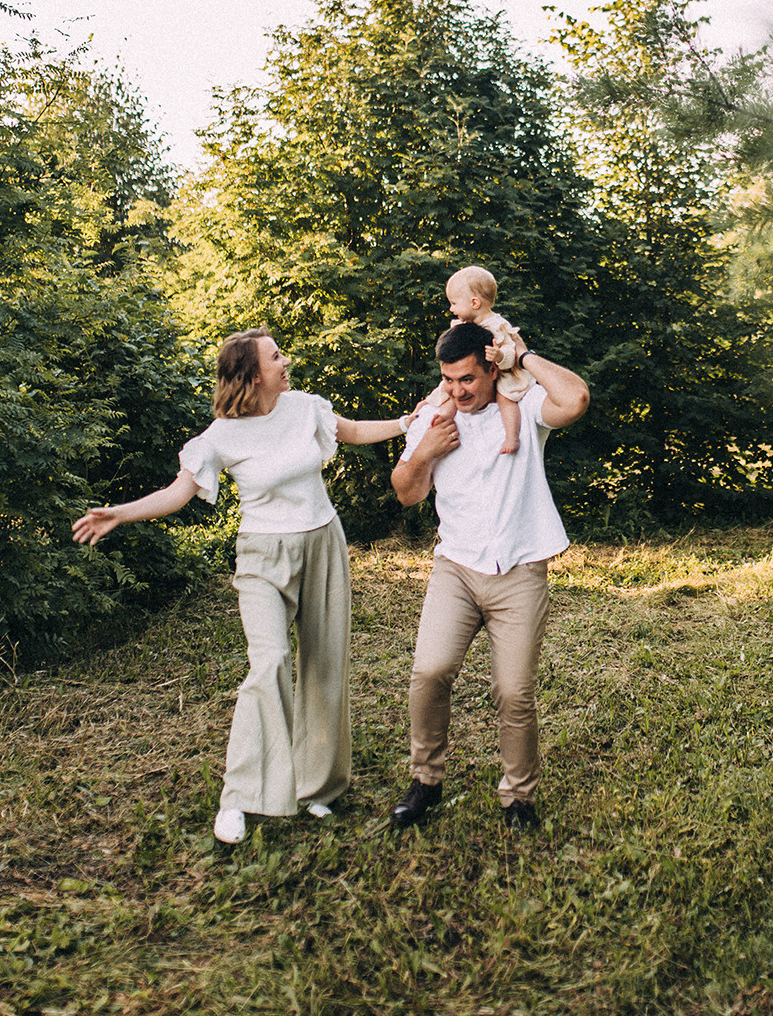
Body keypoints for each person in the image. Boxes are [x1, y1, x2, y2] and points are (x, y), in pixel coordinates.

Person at [71, 329, 414, 844]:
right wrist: (120, 513)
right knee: (270, 660)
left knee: (326, 664)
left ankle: (315, 788)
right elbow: (176, 493)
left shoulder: (304, 407)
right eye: (275, 355)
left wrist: (408, 423)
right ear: (253, 374)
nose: (285, 359)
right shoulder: (220, 436)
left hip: (323, 541)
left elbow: (353, 431)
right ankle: (240, 796)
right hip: (262, 556)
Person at [387, 319, 590, 831]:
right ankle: (425, 781)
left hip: (519, 571)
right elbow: (406, 492)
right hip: (455, 569)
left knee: (514, 691)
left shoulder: (520, 406)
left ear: (489, 368)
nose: (457, 390)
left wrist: (521, 357)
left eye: (468, 379)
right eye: (448, 379)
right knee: (430, 672)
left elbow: (576, 399)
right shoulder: (434, 417)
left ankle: (518, 797)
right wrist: (426, 452)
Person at [421, 265, 531, 455]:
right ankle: (439, 419)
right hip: (476, 373)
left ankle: (512, 436)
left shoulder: (498, 326)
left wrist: (500, 356)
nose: (451, 308)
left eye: (454, 303)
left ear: (474, 303)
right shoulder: (463, 325)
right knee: (448, 390)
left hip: (503, 372)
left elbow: (512, 352)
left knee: (506, 398)